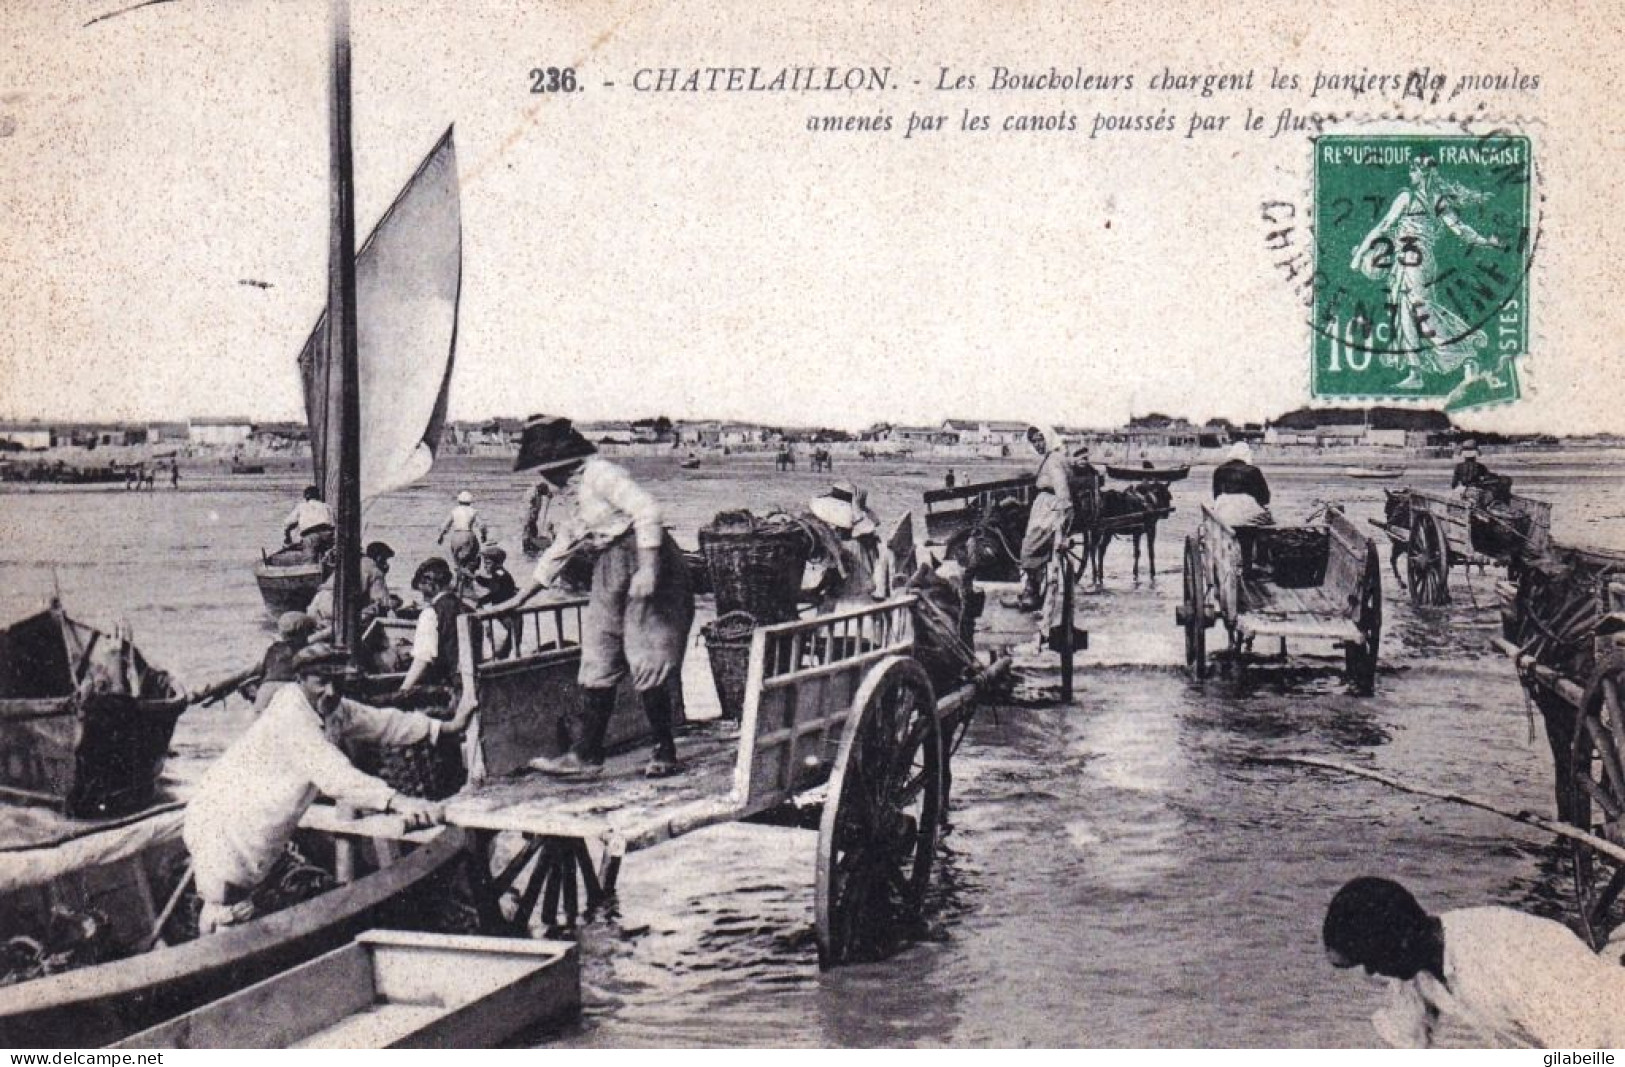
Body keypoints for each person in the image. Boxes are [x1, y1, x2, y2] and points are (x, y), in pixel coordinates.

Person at [182, 644, 471, 934]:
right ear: (300, 680)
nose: (331, 691)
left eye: (338, 682)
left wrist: (445, 727)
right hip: (224, 823)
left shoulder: (330, 707)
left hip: (245, 819)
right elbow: (335, 776)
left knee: (243, 890)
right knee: (227, 901)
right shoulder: (291, 716)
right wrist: (399, 801)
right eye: (321, 681)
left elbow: (382, 722)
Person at [495, 415, 694, 779]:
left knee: (644, 653)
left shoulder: (600, 473)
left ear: (560, 461)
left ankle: (664, 749)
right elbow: (561, 548)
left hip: (646, 555)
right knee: (598, 651)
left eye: (545, 469)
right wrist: (520, 599)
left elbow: (647, 510)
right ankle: (586, 755)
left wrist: (648, 569)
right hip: (609, 563)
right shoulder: (571, 497)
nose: (545, 478)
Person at [1323, 876, 1625, 1048]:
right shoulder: (1412, 966)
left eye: (1371, 960)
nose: (1373, 972)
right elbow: (1406, 1042)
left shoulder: (1506, 952)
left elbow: (1586, 1050)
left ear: (1398, 941)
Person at [1350, 156, 1503, 390]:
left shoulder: (1407, 197)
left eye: (1413, 170)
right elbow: (1460, 229)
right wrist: (1485, 241)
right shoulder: (1437, 200)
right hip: (1415, 261)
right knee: (1405, 313)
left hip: (1414, 260)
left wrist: (1360, 254)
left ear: (1422, 173)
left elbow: (1383, 226)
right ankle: (1416, 373)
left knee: (1421, 310)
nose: (1410, 174)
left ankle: (1465, 356)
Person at [1012, 424, 1071, 612]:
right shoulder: (1052, 458)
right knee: (1031, 546)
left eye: (1040, 440)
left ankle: (1032, 594)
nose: (1038, 444)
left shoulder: (1053, 460)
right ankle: (1031, 590)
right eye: (1034, 441)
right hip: (1044, 505)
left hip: (1050, 508)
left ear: (1049, 439)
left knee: (1030, 548)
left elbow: (1062, 489)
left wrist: (1062, 515)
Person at [806, 482, 889, 612]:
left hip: (847, 599)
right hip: (854, 597)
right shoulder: (860, 541)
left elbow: (831, 577)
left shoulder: (845, 547)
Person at [402, 557, 471, 690]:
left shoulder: (430, 614)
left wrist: (403, 689)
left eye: (422, 589)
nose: (422, 594)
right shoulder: (467, 609)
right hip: (466, 680)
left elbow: (422, 659)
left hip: (445, 686)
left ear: (430, 585)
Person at [245, 611, 317, 715]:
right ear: (304, 633)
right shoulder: (306, 651)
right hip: (289, 690)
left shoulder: (273, 649)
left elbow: (263, 672)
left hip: (266, 690)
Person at [473, 543, 520, 657]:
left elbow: (493, 591)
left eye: (488, 563)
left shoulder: (500, 575)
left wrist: (481, 601)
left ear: (498, 563)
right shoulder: (500, 573)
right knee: (508, 644)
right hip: (504, 611)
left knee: (505, 641)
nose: (485, 566)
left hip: (506, 613)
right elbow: (490, 586)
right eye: (485, 563)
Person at [437, 490, 488, 573]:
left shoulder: (454, 511)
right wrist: (484, 535)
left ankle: (459, 577)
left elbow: (445, 526)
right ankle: (468, 578)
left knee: (457, 561)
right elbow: (482, 525)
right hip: (468, 535)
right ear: (470, 501)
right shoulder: (473, 511)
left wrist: (441, 537)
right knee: (472, 558)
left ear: (459, 501)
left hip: (456, 536)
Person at [284, 486, 335, 563]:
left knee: (309, 560)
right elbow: (333, 524)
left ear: (306, 497)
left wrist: (288, 535)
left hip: (311, 537)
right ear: (318, 496)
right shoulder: (327, 506)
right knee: (328, 552)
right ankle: (327, 562)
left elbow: (287, 523)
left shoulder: (301, 506)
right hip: (328, 535)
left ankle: (311, 569)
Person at [360, 540, 397, 623]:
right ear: (379, 557)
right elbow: (382, 601)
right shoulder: (375, 570)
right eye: (385, 559)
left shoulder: (359, 563)